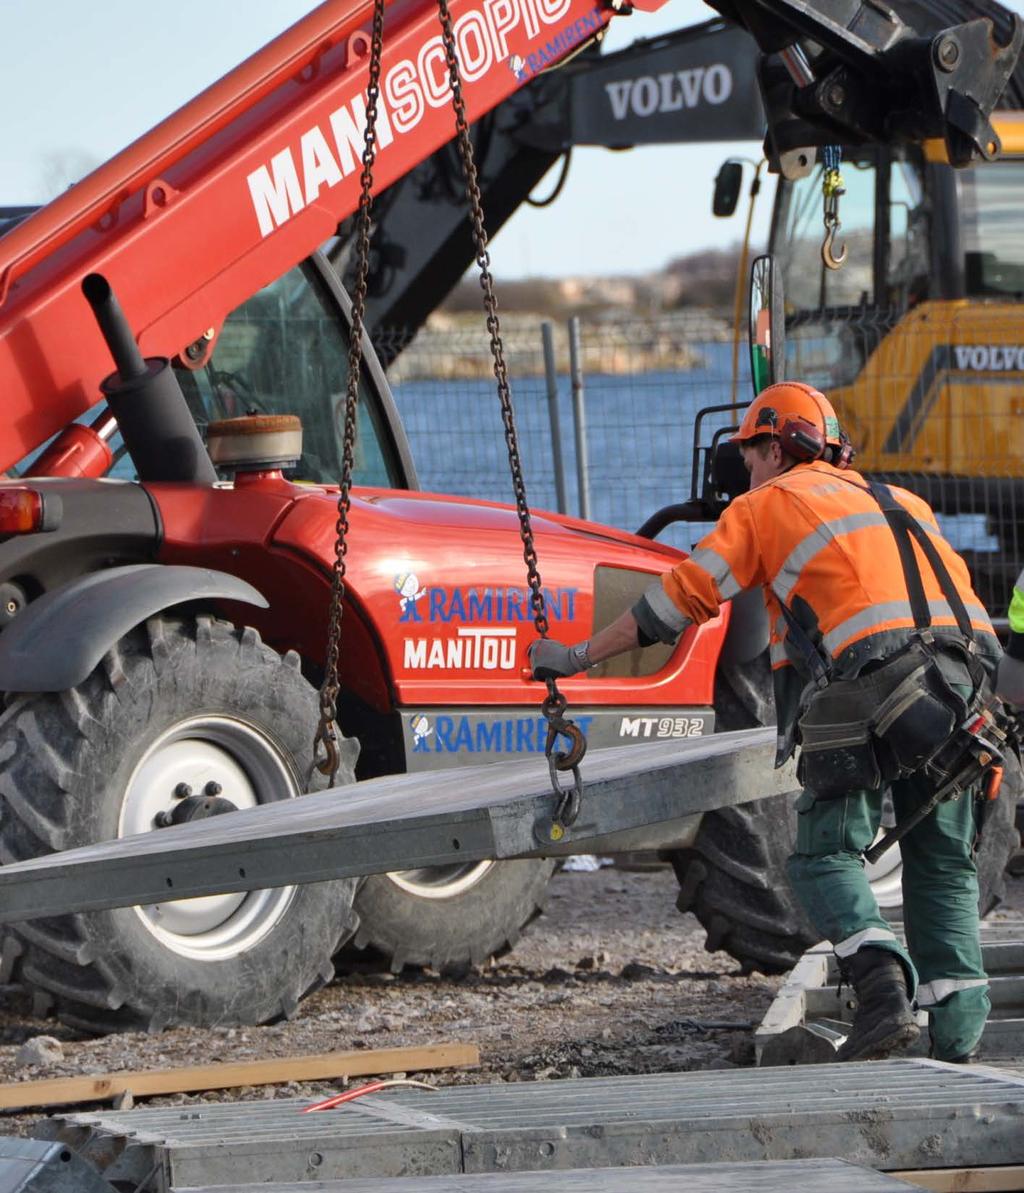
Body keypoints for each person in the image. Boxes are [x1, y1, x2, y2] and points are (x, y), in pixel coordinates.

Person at [530, 380, 1002, 1063]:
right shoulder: (902, 501)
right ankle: (956, 1042)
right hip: (965, 696)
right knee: (943, 864)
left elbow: (676, 602)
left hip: (872, 687)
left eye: (750, 458)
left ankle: (882, 988)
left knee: (821, 857)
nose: (745, 475)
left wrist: (576, 656)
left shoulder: (770, 504)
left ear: (776, 449)